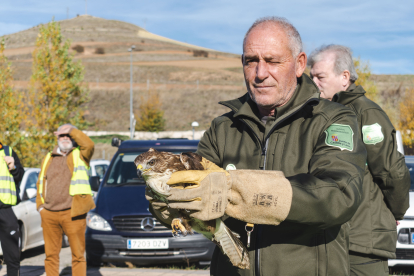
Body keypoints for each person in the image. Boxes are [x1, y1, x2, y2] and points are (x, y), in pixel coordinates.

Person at [147, 17, 368, 276]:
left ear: (299, 64)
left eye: (272, 61)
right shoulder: (223, 128)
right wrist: (167, 200)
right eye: (251, 61)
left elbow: (339, 195)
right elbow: (194, 197)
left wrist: (239, 191)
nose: (260, 73)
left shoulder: (333, 120)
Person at [308, 44, 410, 276]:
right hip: (331, 237)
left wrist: (397, 212)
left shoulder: (365, 113)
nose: (314, 82)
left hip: (363, 240)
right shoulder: (321, 114)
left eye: (320, 76)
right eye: (311, 76)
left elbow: (391, 170)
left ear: (345, 77)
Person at [36, 124, 95, 276]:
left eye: (68, 136)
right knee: (50, 256)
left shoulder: (81, 155)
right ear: (57, 138)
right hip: (49, 214)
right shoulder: (48, 157)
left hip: (73, 213)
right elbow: (40, 183)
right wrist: (40, 207)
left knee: (78, 255)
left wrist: (71, 130)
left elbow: (89, 144)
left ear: (73, 138)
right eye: (61, 136)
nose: (65, 138)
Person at [0, 142, 24, 276]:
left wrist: (13, 167)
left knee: (12, 253)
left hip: (5, 209)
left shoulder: (8, 152)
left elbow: (19, 175)